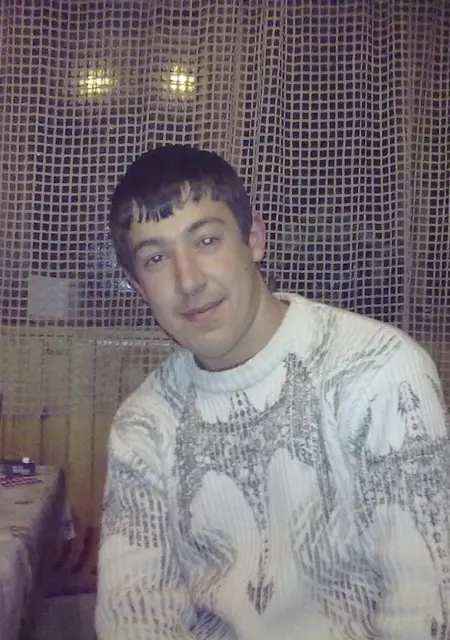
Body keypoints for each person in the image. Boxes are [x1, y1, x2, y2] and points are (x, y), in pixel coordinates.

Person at [96, 144, 450, 640]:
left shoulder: (378, 372)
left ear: (254, 240)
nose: (188, 281)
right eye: (156, 259)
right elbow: (134, 615)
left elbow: (427, 603)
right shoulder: (143, 425)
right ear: (138, 286)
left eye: (206, 241)